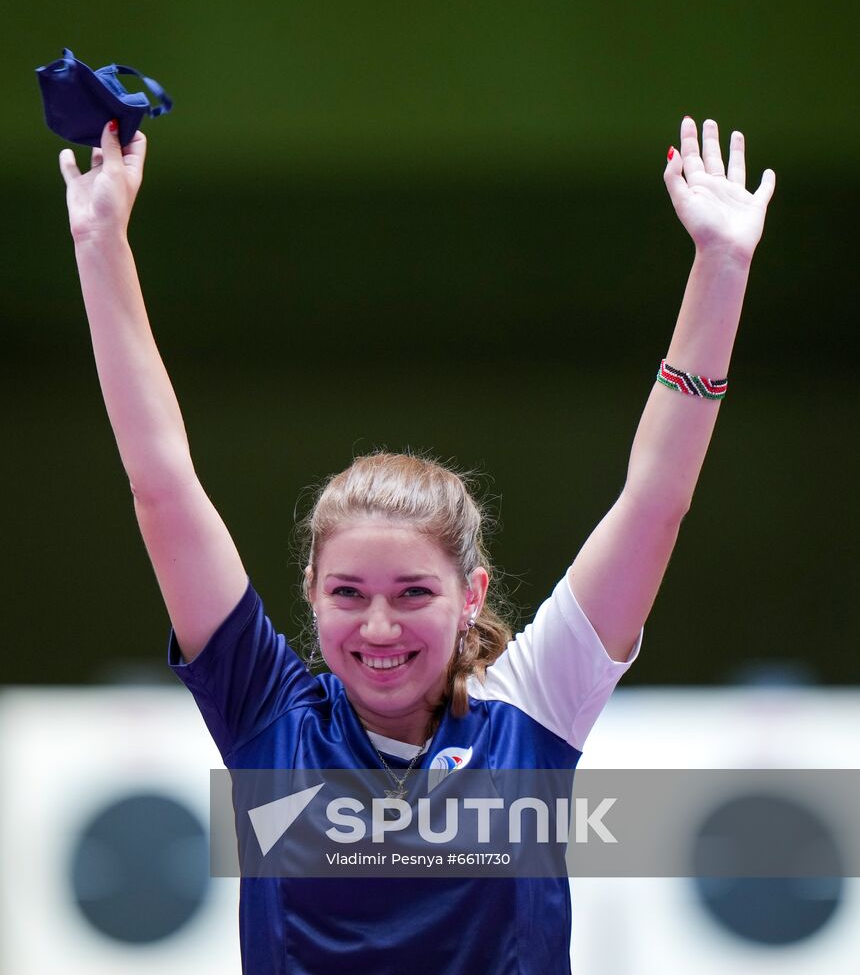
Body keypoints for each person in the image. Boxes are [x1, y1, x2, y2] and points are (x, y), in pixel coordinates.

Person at [58, 115, 775, 974]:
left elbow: (657, 498)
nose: (380, 627)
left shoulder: (538, 703)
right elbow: (161, 482)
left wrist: (723, 266)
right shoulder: (266, 712)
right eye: (349, 594)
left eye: (413, 594)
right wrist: (99, 240)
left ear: (471, 594)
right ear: (313, 591)